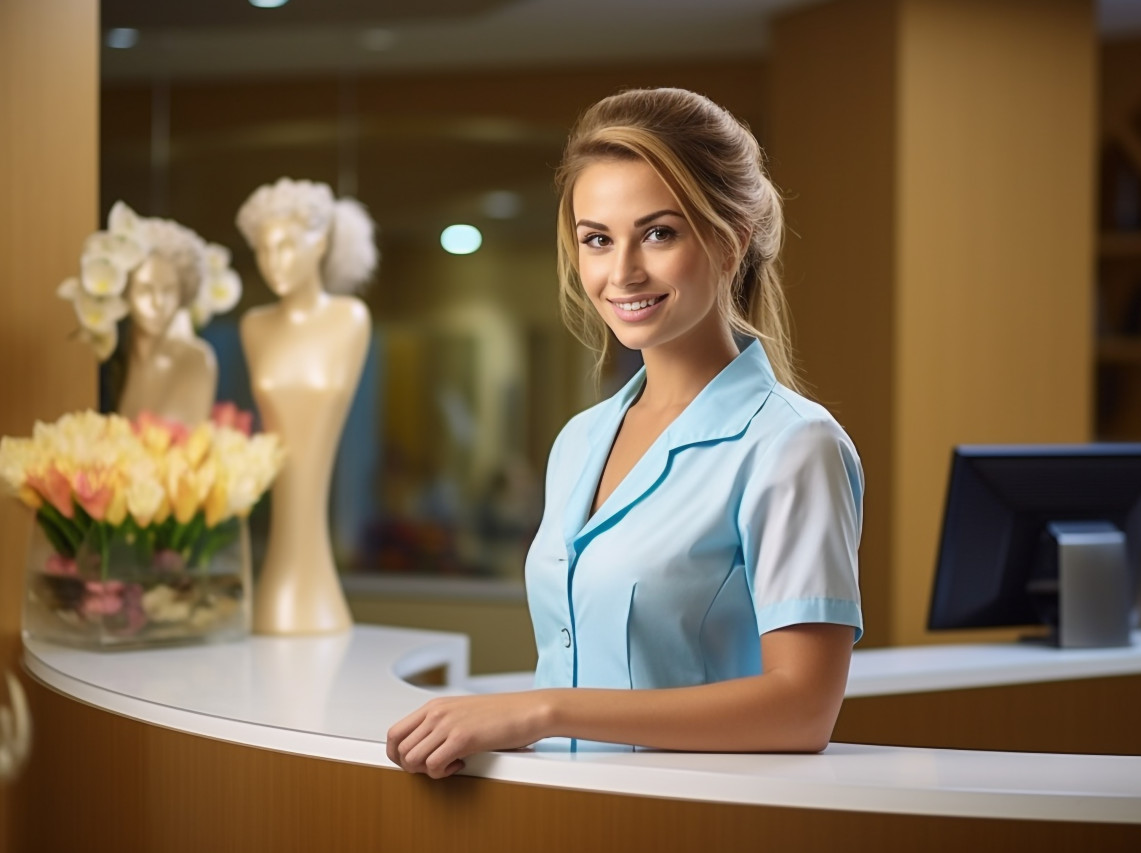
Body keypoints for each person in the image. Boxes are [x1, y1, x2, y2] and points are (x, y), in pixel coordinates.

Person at [387, 87, 863, 777]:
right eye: (598, 240)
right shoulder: (579, 441)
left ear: (729, 243)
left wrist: (545, 708)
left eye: (659, 233)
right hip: (563, 813)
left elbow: (803, 709)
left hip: (692, 822)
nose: (622, 273)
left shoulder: (793, 446)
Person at [236, 177, 377, 634]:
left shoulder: (349, 319)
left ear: (318, 243)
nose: (272, 262)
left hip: (319, 569)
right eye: (262, 249)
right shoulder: (253, 326)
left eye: (286, 246)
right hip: (273, 550)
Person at [60, 201, 238, 428]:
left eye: (169, 289)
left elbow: (180, 443)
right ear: (124, 290)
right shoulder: (110, 364)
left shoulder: (195, 361)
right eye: (146, 289)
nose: (158, 302)